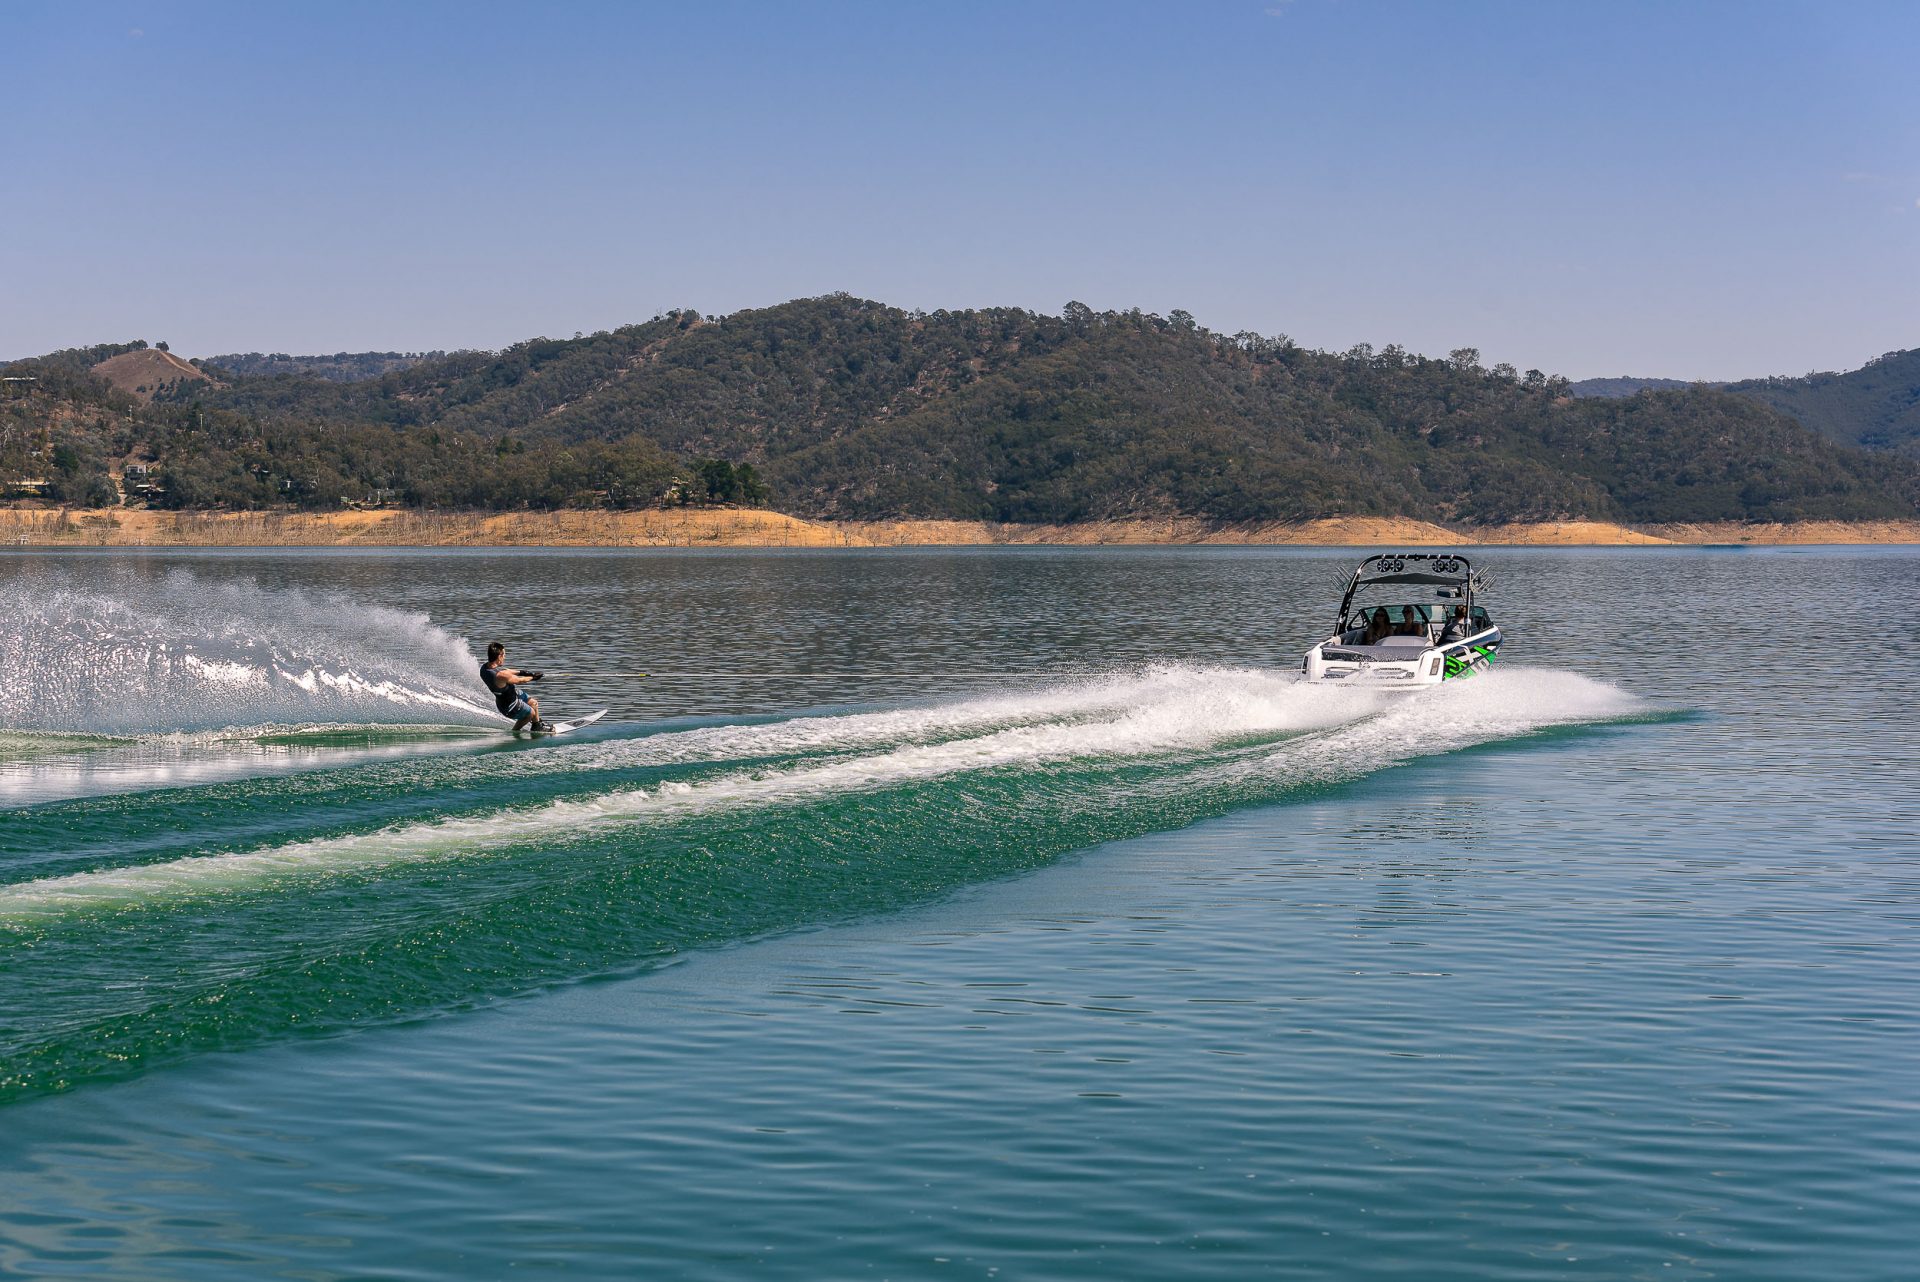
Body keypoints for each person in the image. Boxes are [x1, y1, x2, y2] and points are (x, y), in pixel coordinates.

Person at [480, 641, 550, 733]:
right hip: (509, 706)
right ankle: (514, 732)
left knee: (534, 703)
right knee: (531, 713)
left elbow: (507, 671)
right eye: (504, 655)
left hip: (510, 696)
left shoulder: (484, 668)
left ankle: (537, 725)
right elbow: (520, 681)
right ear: (499, 656)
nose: (505, 657)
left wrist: (525, 672)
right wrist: (533, 677)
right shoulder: (500, 676)